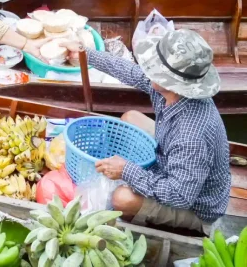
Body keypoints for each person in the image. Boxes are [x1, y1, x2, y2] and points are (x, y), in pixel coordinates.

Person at [61, 29, 231, 234]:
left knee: (121, 198)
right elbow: (130, 72)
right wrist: (84, 53)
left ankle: (141, 221)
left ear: (172, 83)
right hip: (170, 157)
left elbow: (179, 195)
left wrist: (126, 170)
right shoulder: (169, 90)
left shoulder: (191, 135)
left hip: (195, 207)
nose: (148, 70)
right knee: (131, 117)